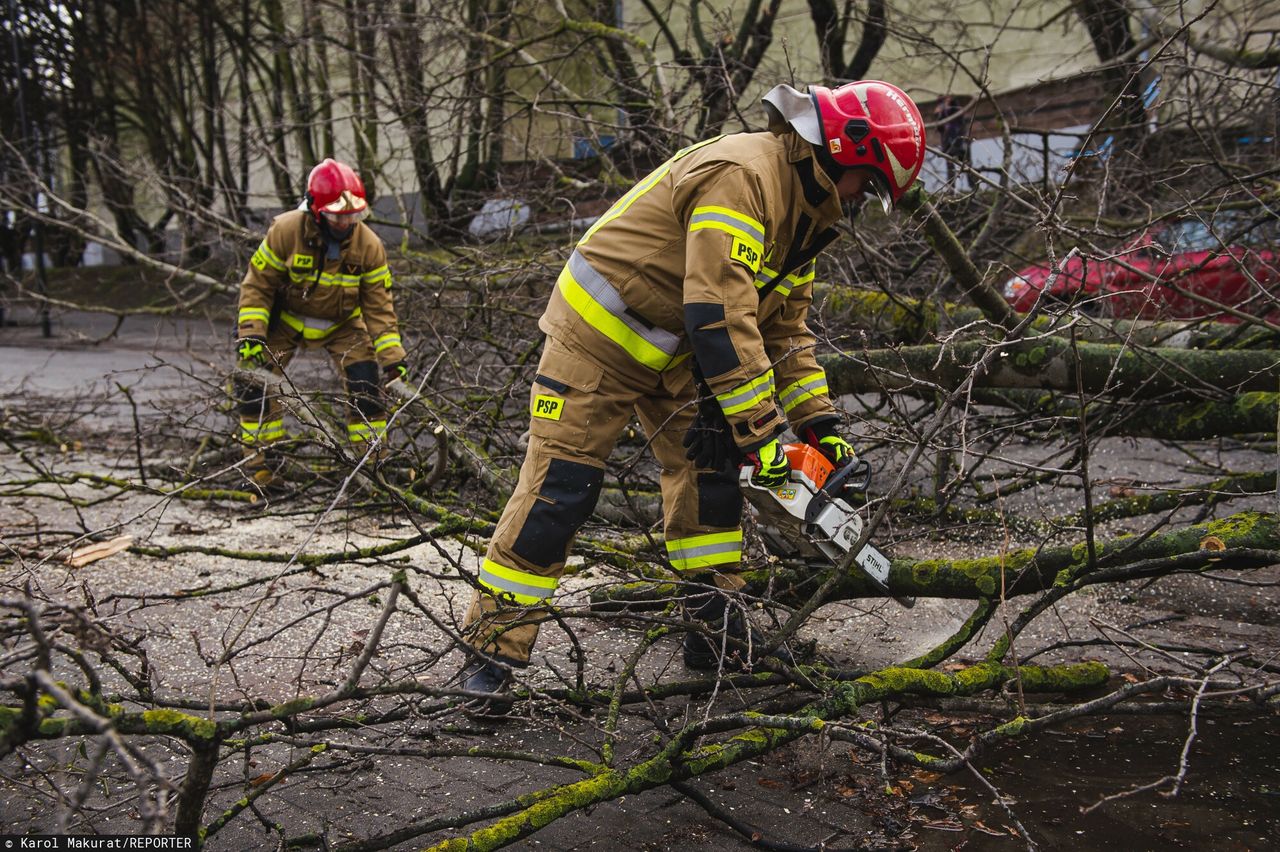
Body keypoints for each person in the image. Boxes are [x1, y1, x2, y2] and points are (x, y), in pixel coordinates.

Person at [459, 81, 926, 694]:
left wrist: (822, 430)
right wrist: (761, 434)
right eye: (867, 182)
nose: (862, 197)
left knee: (711, 481)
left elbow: (784, 332)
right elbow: (718, 313)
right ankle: (491, 655)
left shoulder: (806, 215)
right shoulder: (744, 176)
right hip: (600, 336)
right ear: (844, 150)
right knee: (562, 490)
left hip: (682, 346)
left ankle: (713, 633)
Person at [233, 158, 408, 489]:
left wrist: (393, 359)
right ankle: (260, 469)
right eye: (337, 216)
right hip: (284, 321)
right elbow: (257, 285)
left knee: (366, 386)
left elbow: (379, 308)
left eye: (352, 216)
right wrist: (252, 336)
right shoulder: (286, 231)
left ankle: (372, 466)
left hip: (343, 324)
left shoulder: (369, 246)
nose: (345, 223)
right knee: (252, 384)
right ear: (315, 208)